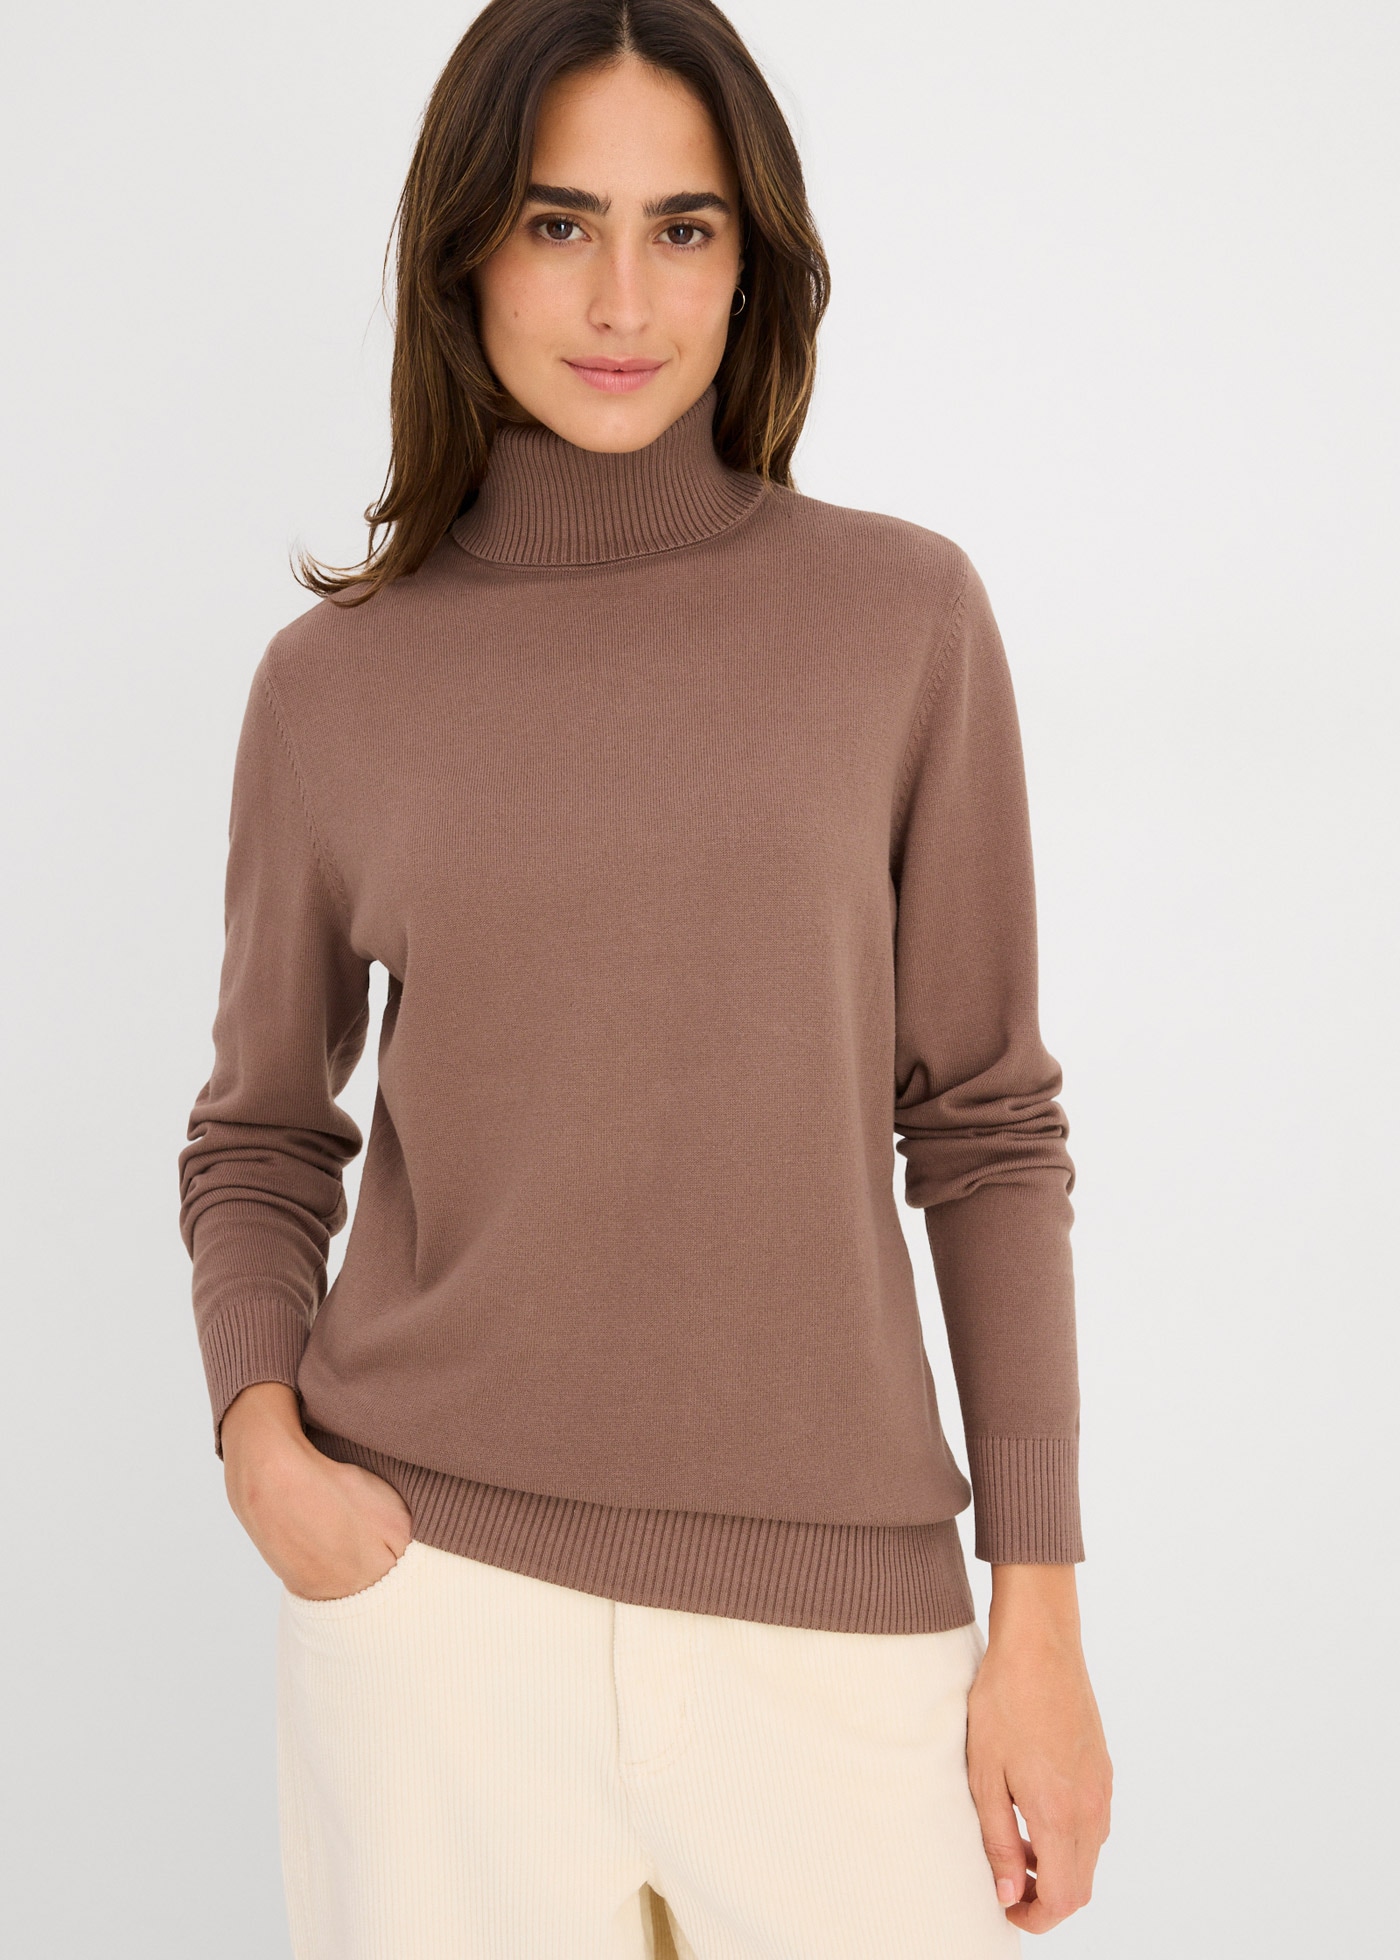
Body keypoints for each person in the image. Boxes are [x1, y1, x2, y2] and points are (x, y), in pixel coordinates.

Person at [177, 1, 1112, 1953]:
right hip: (430, 1610)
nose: (623, 298)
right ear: (465, 253)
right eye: (558, 223)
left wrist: (1036, 1611)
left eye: (683, 229)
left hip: (842, 1640)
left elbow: (984, 1128)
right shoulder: (336, 686)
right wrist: (260, 1438)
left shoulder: (901, 619)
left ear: (751, 265)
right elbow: (263, 1133)